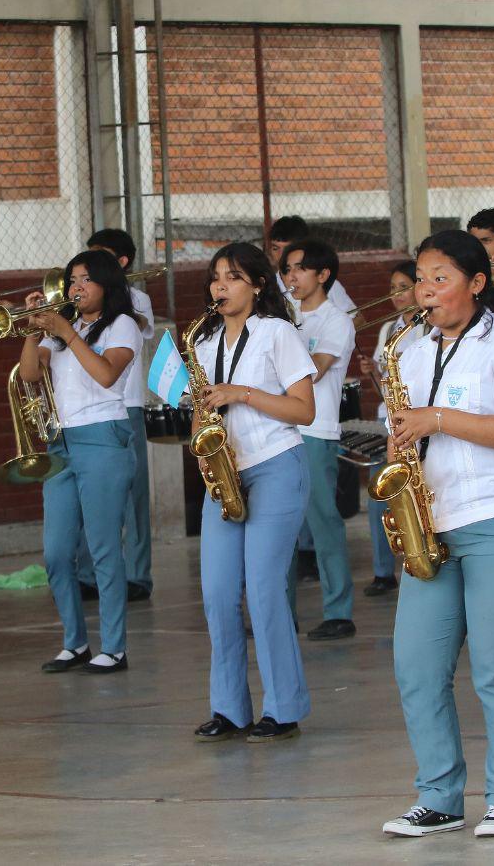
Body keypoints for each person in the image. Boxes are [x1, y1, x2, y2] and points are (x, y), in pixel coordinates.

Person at [381, 230, 494, 839]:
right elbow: (404, 433)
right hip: (433, 523)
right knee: (418, 667)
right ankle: (439, 795)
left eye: (439, 279)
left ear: (477, 283)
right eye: (420, 279)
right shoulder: (407, 351)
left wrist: (438, 419)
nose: (424, 292)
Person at [191, 242, 316, 743]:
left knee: (264, 591)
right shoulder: (202, 345)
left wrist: (239, 393)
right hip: (225, 473)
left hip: (276, 465)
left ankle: (283, 708)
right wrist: (201, 442)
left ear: (258, 285)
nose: (220, 286)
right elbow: (201, 415)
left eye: (233, 277)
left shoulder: (277, 333)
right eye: (216, 278)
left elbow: (303, 410)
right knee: (219, 594)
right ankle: (229, 708)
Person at [19, 250, 140, 675]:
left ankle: (115, 646)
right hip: (62, 444)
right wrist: (34, 332)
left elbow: (107, 374)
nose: (76, 288)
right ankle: (74, 642)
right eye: (72, 281)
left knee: (104, 548)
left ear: (107, 284)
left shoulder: (122, 325)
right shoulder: (64, 330)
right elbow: (31, 376)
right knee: (55, 553)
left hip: (103, 439)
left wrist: (67, 333)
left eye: (86, 279)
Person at [281, 240, 357, 640]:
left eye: (299, 268)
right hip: (279, 431)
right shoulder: (281, 318)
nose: (291, 277)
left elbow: (314, 370)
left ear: (323, 274)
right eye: (287, 270)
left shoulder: (335, 320)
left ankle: (339, 610)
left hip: (315, 431)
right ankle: (280, 612)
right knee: (280, 527)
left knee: (323, 522)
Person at [76, 228, 155, 603]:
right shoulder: (73, 306)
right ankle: (89, 574)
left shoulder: (136, 299)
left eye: (100, 260)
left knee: (133, 494)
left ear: (120, 263)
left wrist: (113, 301)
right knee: (89, 499)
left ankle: (138, 574)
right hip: (85, 415)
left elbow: (138, 327)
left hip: (128, 404)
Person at [357, 261, 417, 596]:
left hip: (418, 421)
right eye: (393, 288)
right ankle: (383, 571)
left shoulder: (428, 328)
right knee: (381, 495)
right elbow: (385, 386)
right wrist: (372, 373)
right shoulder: (388, 329)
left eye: (404, 286)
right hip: (389, 421)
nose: (397, 295)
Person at [267, 215, 355, 312]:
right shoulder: (269, 287)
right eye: (275, 248)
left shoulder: (324, 283)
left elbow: (357, 319)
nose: (281, 255)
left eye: (288, 249)